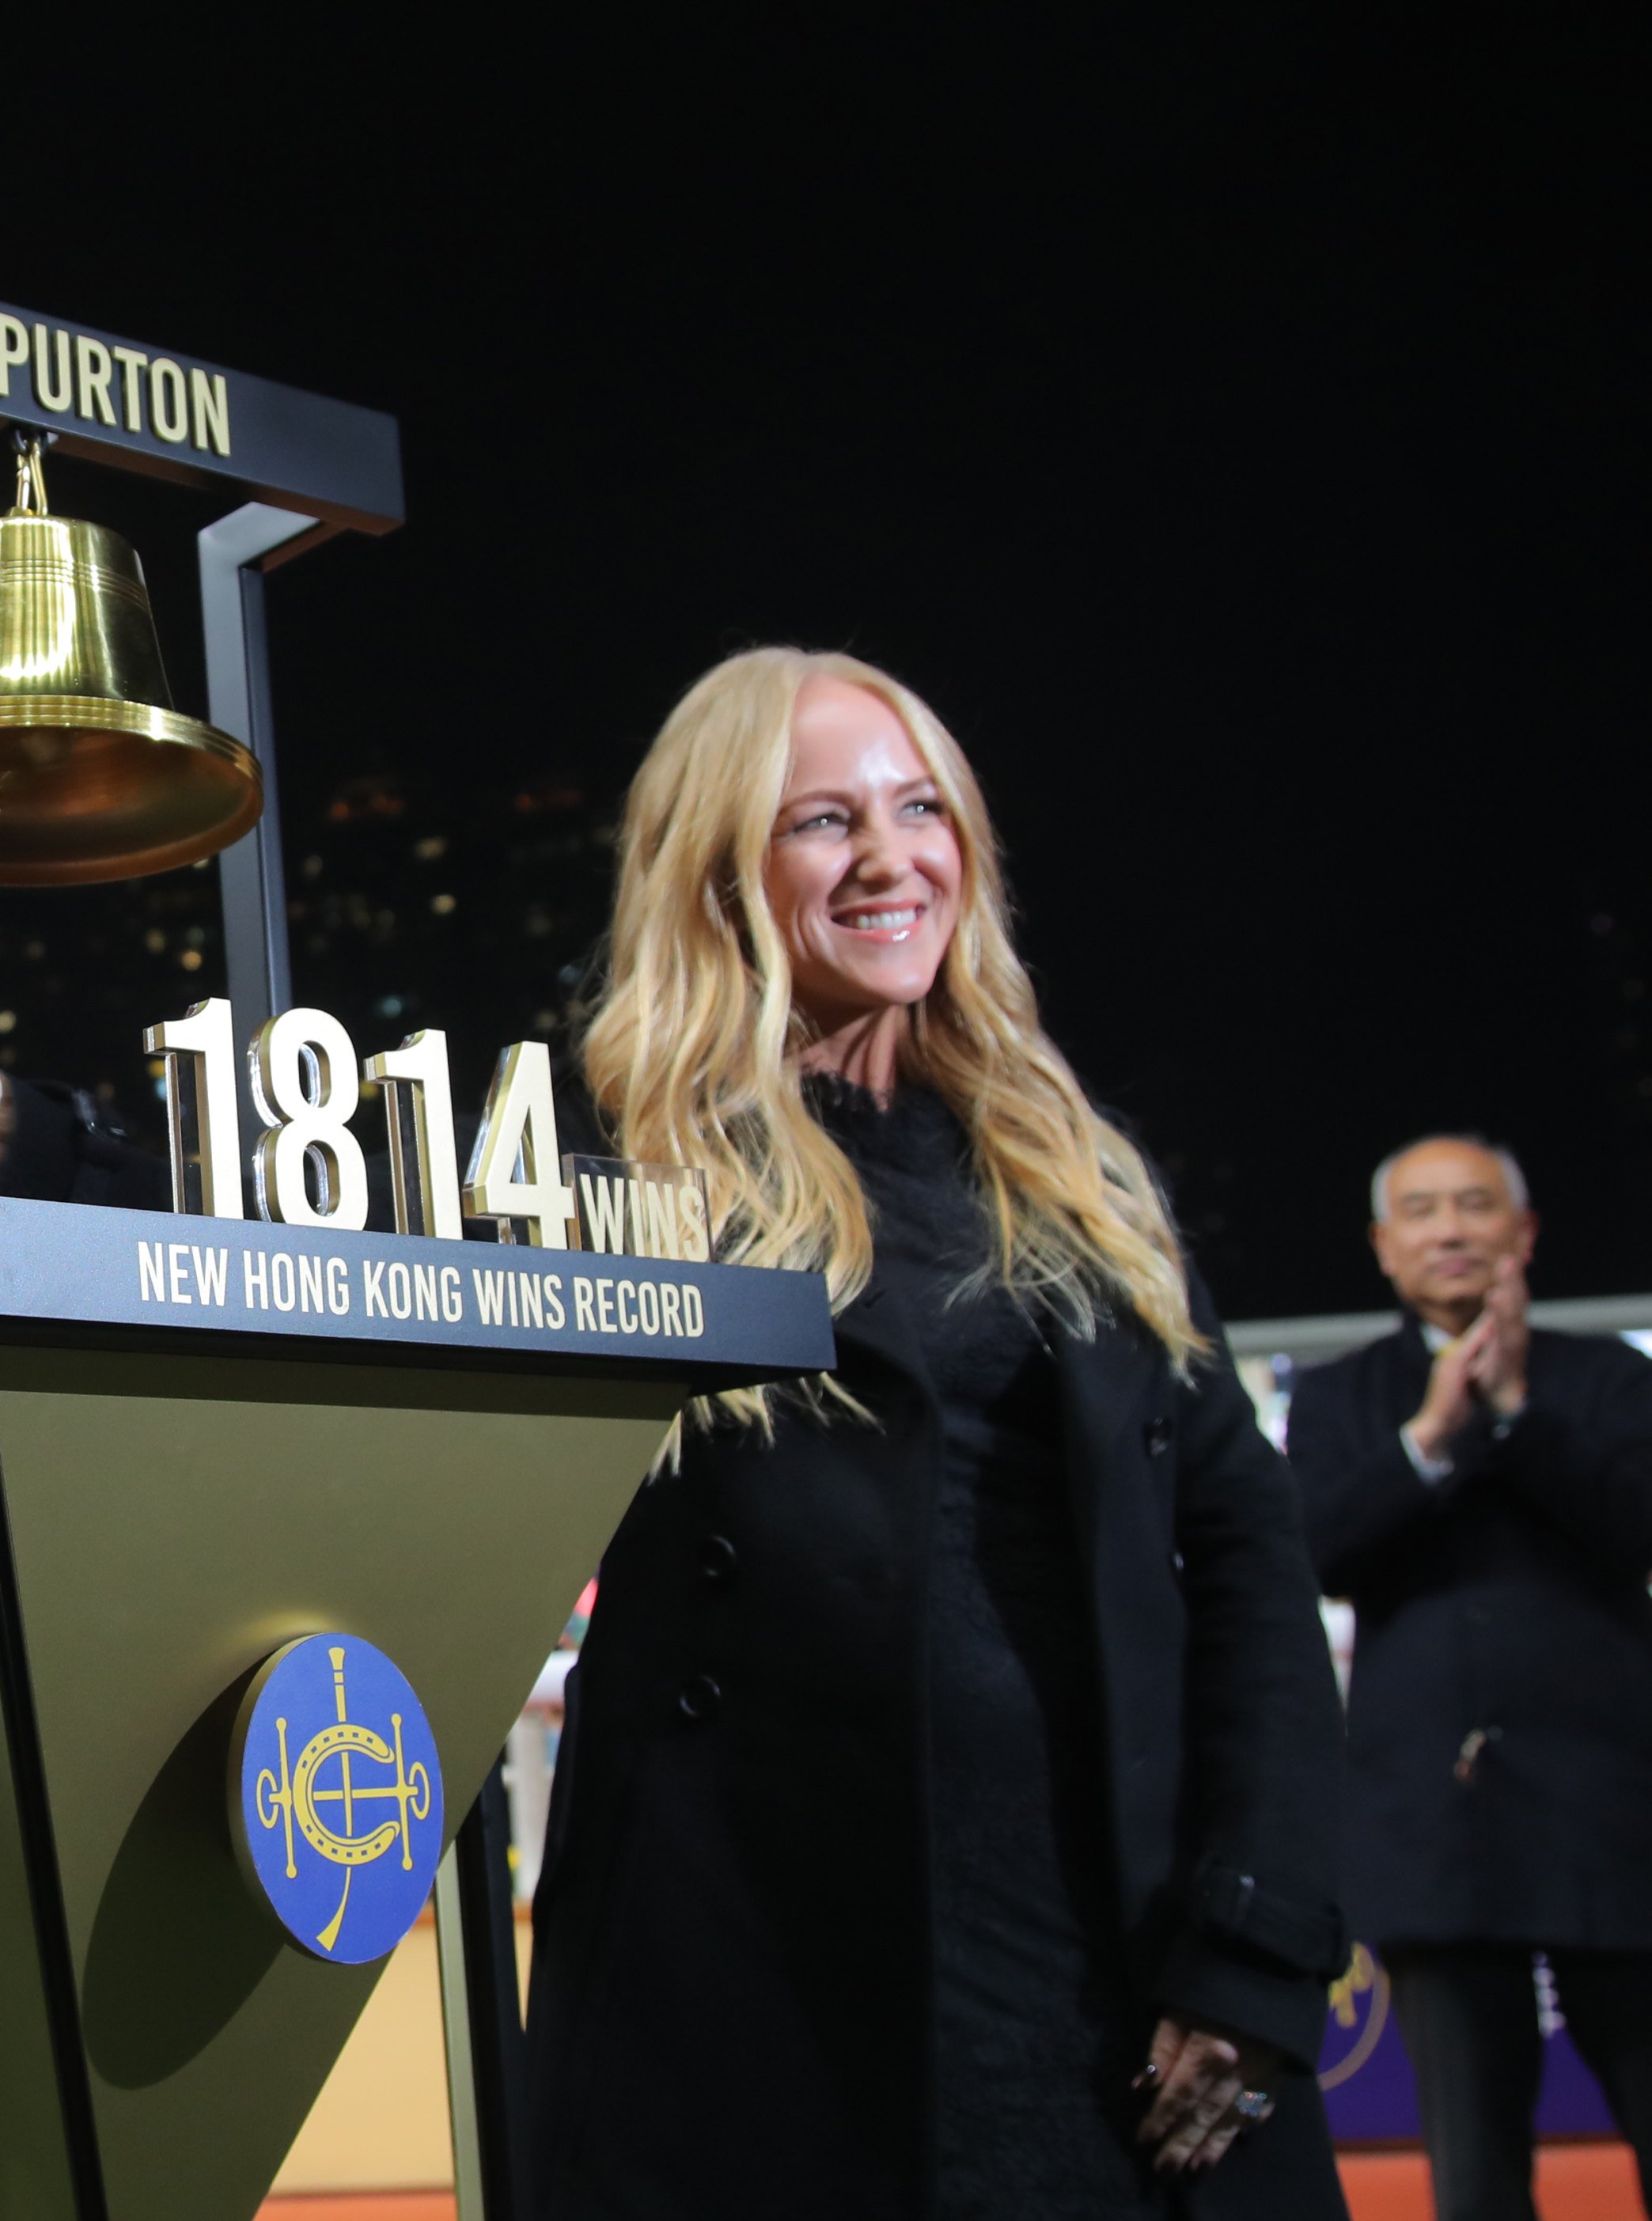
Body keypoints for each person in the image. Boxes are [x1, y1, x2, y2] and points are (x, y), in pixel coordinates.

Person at [511, 650, 1349, 2217]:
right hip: (755, 1976)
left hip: (1110, 1955)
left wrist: (1248, 1932)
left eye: (918, 806)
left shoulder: (1074, 1168)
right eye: (822, 817)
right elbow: (302, 1191)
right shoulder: (599, 1153)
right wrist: (14, 1129)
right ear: (716, 867)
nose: (890, 855)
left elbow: (1243, 1556)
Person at [1288, 1137, 1652, 2219]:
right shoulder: (1343, 1393)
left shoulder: (1609, 1376)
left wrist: (1517, 1412)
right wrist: (1434, 1438)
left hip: (1613, 1823)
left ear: (1522, 1232)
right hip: (1435, 1836)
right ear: (1385, 1246)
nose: (1450, 1228)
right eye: (1423, 1210)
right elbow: (1314, 1552)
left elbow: (1636, 1530)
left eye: (1474, 1204)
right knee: (1473, 2167)